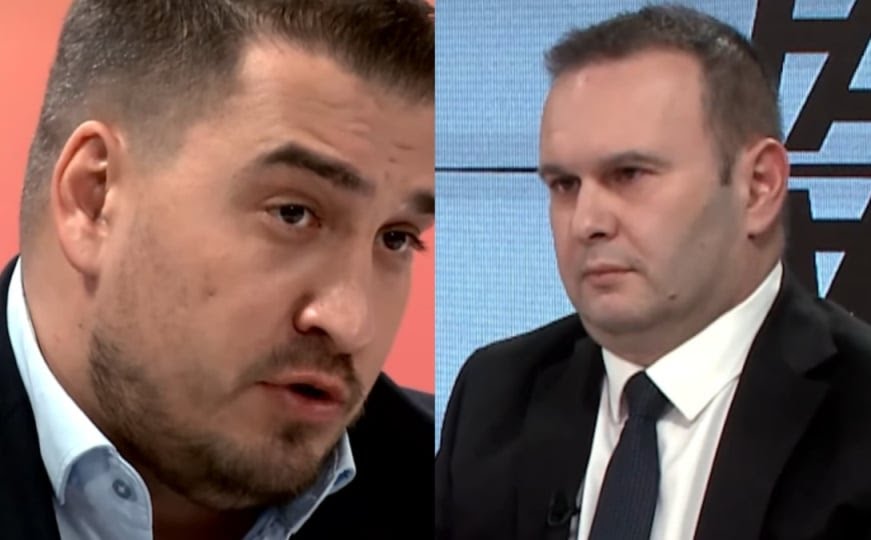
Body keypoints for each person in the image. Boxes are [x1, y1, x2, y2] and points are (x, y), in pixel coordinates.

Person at [0, 1, 434, 539]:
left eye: (396, 237)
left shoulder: (456, 487)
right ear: (95, 198)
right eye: (292, 213)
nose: (351, 323)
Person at [435, 5, 871, 540]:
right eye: (564, 185)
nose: (587, 222)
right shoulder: (497, 396)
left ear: (758, 187)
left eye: (629, 174)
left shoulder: (858, 415)